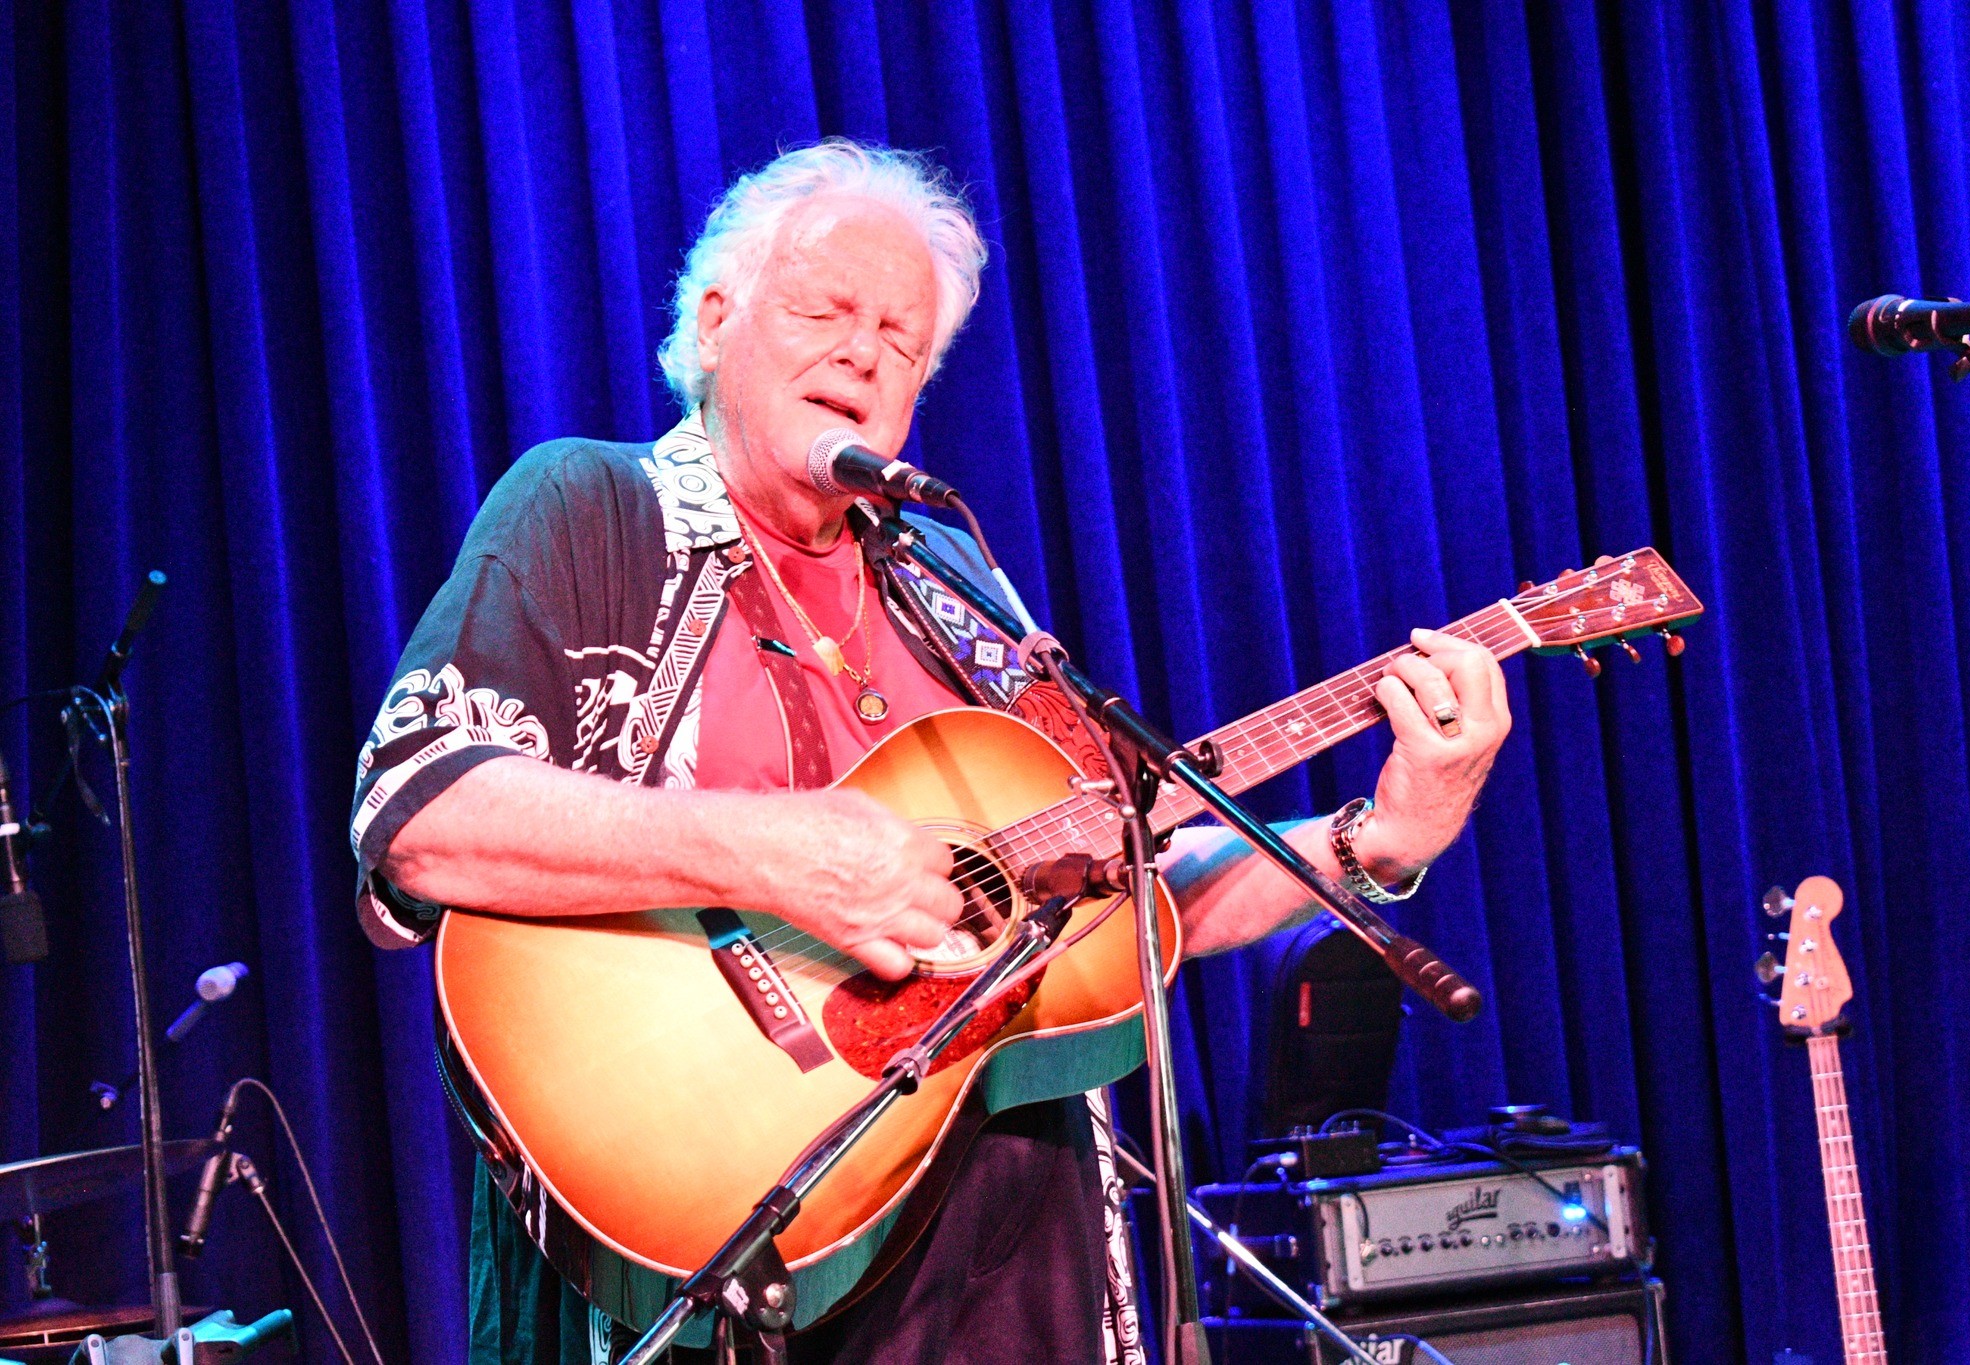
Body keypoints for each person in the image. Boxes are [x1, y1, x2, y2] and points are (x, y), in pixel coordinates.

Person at [349, 139, 1511, 1365]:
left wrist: (1377, 839)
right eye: (823, 310)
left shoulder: (955, 589)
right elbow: (420, 813)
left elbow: (1113, 888)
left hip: (1008, 1248)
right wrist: (773, 856)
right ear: (714, 320)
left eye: (902, 341)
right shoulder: (593, 505)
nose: (862, 351)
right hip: (701, 1221)